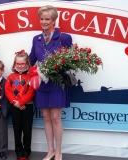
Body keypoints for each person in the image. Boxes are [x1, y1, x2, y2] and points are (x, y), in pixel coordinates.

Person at [29, 5, 72, 160]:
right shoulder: (37, 39)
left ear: (54, 20)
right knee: (46, 117)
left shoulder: (63, 38)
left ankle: (59, 151)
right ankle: (50, 150)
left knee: (55, 118)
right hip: (42, 83)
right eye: (42, 19)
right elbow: (31, 59)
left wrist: (54, 68)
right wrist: (20, 63)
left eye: (47, 19)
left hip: (57, 83)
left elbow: (71, 60)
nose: (44, 22)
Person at [5, 51, 35, 160]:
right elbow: (8, 91)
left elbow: (31, 92)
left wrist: (21, 102)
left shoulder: (31, 76)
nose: (20, 66)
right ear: (14, 64)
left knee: (27, 130)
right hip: (15, 107)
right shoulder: (10, 77)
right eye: (18, 64)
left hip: (28, 106)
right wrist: (16, 103)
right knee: (17, 130)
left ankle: (26, 152)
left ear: (27, 63)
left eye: (22, 64)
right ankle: (18, 152)